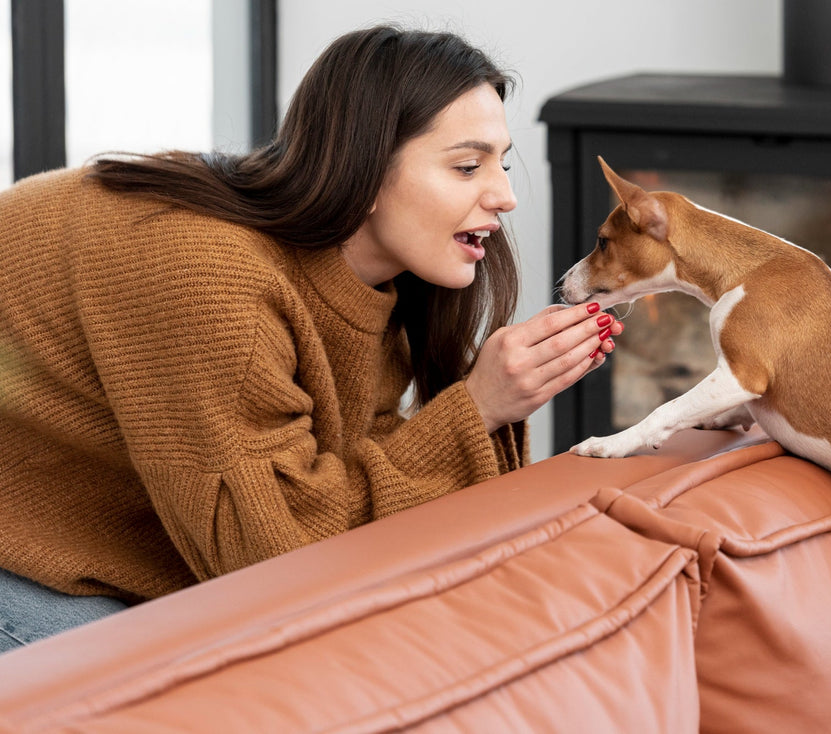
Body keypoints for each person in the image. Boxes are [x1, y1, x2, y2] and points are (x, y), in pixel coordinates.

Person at [0, 25, 622, 654]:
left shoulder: (385, 279)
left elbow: (341, 470)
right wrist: (478, 406)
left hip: (109, 514)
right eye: (467, 166)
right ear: (366, 166)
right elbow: (270, 561)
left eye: (501, 162)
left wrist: (488, 402)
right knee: (149, 692)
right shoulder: (207, 276)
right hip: (20, 539)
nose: (506, 196)